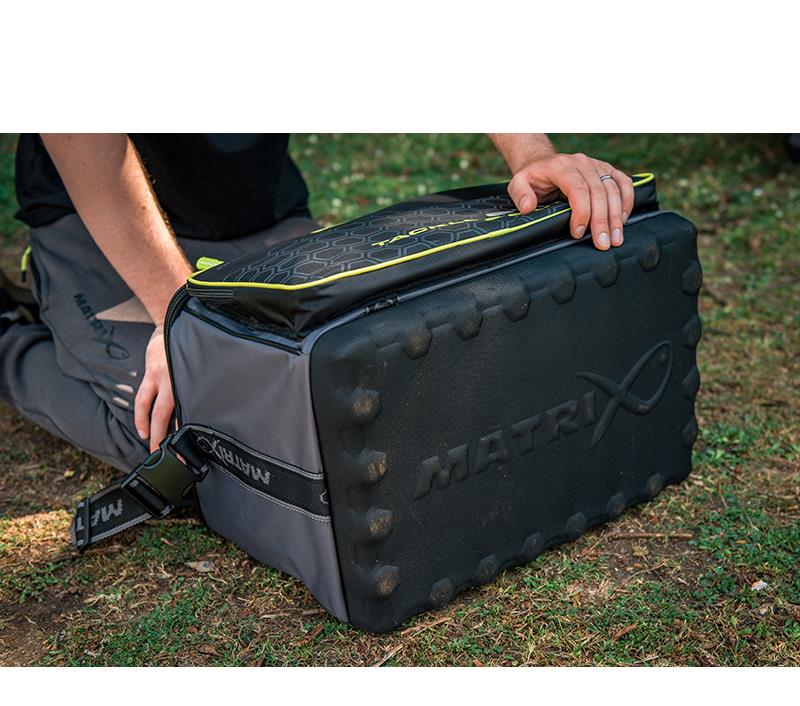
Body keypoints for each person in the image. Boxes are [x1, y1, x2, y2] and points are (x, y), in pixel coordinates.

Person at [0, 134, 634, 473]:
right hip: (102, 224)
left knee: (359, 398)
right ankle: (11, 332)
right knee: (189, 441)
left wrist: (533, 153)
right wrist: (180, 316)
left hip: (257, 216)